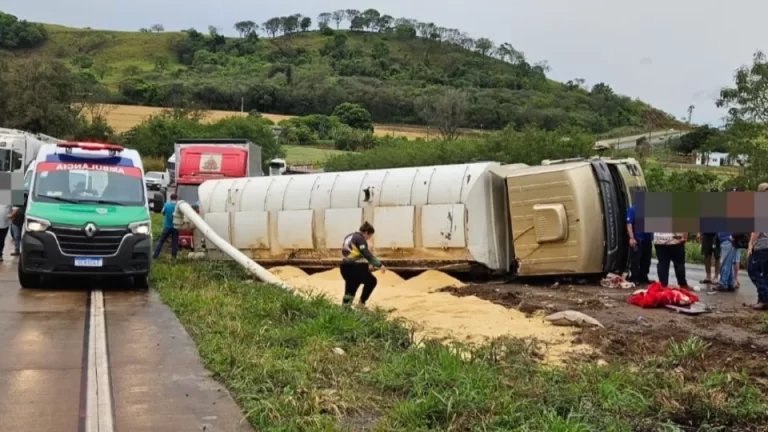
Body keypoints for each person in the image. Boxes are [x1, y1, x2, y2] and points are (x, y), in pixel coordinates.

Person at [340, 222, 386, 308]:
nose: (368, 239)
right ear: (366, 232)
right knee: (372, 281)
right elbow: (365, 252)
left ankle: (345, 308)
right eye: (369, 236)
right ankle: (361, 304)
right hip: (355, 266)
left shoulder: (349, 236)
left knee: (351, 287)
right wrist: (379, 265)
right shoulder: (360, 238)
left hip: (344, 265)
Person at [747, 183, 768, 310]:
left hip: (761, 245)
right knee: (765, 274)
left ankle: (765, 298)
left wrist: (751, 244)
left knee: (753, 271)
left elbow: (757, 229)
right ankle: (762, 299)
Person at [696, 189, 721, 284]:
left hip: (717, 235)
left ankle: (716, 276)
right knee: (707, 255)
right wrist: (699, 232)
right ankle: (708, 276)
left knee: (717, 256)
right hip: (706, 234)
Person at [626, 204, 652, 284]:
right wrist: (631, 238)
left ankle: (644, 277)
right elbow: (629, 224)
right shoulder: (633, 210)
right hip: (637, 239)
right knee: (635, 260)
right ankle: (634, 277)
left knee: (646, 259)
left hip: (647, 238)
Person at [152, 193, 179, 260]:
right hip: (176, 227)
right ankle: (173, 257)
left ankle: (155, 255)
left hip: (167, 226)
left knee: (161, 241)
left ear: (170, 198)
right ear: (176, 198)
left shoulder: (166, 205)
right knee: (174, 242)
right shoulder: (178, 206)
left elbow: (163, 213)